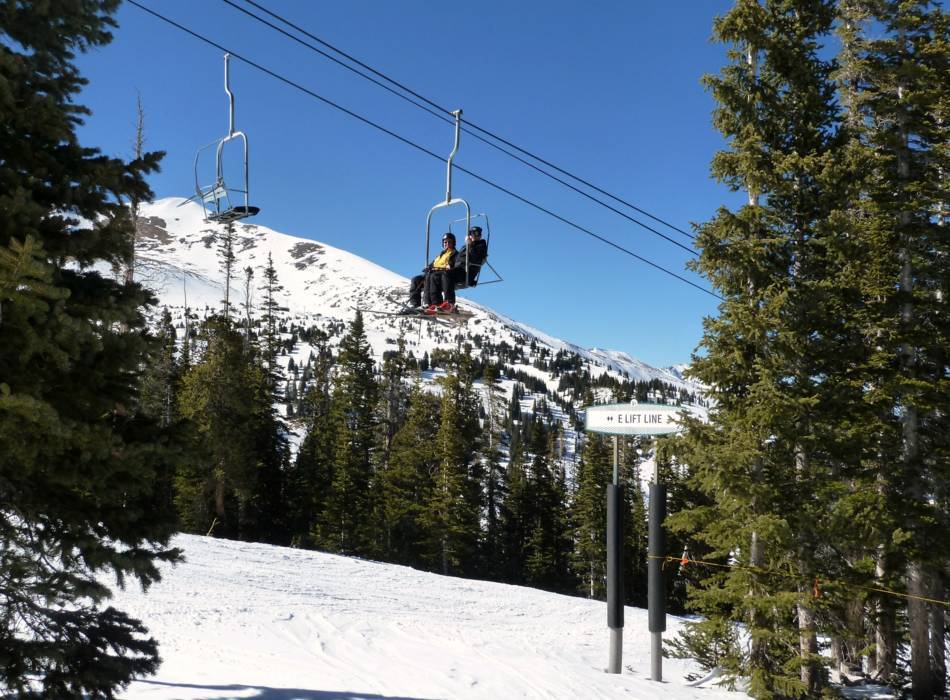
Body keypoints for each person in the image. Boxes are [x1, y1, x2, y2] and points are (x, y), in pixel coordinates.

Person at [404, 232, 457, 313]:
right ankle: (415, 304)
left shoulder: (454, 253)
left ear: (453, 243)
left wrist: (447, 266)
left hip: (441, 274)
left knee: (432, 277)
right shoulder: (440, 254)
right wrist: (428, 267)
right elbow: (432, 264)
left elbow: (452, 264)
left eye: (449, 242)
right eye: (445, 242)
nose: (447, 244)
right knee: (416, 279)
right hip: (433, 272)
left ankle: (432, 303)